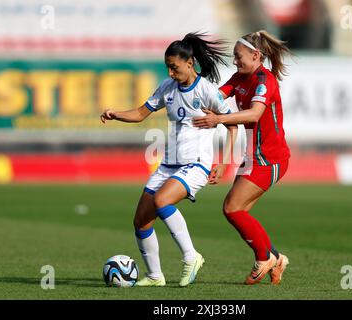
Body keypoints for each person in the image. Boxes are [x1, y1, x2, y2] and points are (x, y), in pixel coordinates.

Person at [100, 32, 235, 287]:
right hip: (169, 164)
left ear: (189, 63)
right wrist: (116, 114)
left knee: (163, 200)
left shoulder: (207, 90)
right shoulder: (167, 87)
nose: (171, 73)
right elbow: (141, 113)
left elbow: (232, 124)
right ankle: (154, 276)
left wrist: (224, 162)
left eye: (174, 68)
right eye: (168, 68)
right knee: (141, 221)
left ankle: (191, 256)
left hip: (196, 164)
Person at [192, 30, 292, 285]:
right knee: (239, 213)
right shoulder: (239, 77)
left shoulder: (265, 81)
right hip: (254, 157)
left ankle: (264, 258)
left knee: (232, 208)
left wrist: (218, 119)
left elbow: (254, 115)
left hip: (270, 158)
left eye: (238, 56)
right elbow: (214, 98)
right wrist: (191, 83)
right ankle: (275, 257)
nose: (235, 61)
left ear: (256, 55)